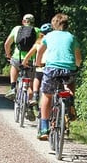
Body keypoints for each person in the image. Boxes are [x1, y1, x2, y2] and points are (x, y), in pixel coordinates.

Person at [34, 13, 82, 141]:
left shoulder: (48, 36)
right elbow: (78, 57)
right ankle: (70, 101)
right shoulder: (72, 37)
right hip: (68, 69)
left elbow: (40, 51)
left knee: (47, 95)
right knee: (71, 82)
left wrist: (38, 63)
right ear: (67, 25)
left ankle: (44, 128)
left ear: (53, 24)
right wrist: (77, 65)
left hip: (51, 69)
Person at [4, 13, 40, 100]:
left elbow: (7, 44)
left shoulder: (16, 29)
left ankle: (13, 87)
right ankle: (29, 107)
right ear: (33, 22)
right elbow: (41, 47)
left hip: (17, 58)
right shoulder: (38, 31)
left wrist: (9, 55)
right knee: (30, 85)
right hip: (31, 60)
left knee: (14, 65)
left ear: (23, 21)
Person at [22, 22, 53, 110]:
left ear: (41, 34)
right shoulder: (54, 43)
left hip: (41, 67)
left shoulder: (38, 43)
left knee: (37, 78)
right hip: (52, 67)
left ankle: (35, 95)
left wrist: (24, 63)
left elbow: (28, 56)